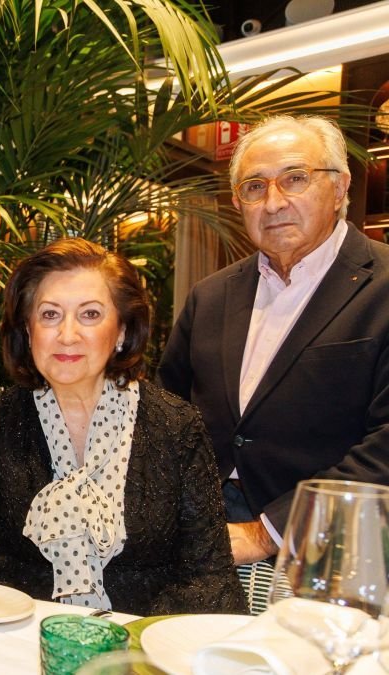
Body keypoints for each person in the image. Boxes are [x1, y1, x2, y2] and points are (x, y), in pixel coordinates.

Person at [0, 239, 244, 615]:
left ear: (122, 331)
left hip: (145, 647)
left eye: (90, 315)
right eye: (49, 315)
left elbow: (209, 578)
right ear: (28, 332)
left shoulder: (177, 427)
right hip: (27, 640)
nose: (67, 334)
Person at [159, 115, 389, 565]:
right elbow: (166, 413)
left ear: (340, 187)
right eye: (255, 187)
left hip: (332, 547)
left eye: (295, 179)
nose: (274, 202)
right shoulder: (210, 296)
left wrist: (270, 532)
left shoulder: (383, 286)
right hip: (202, 535)